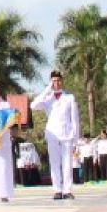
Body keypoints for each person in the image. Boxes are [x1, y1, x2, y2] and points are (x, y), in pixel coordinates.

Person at [30, 70, 81, 200]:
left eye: (58, 81)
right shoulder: (47, 98)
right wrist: (48, 89)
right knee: (54, 163)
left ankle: (67, 190)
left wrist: (76, 139)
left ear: (62, 81)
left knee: (67, 164)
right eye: (53, 81)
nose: (56, 83)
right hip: (52, 135)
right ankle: (57, 189)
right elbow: (33, 105)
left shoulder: (69, 97)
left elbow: (75, 119)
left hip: (67, 135)